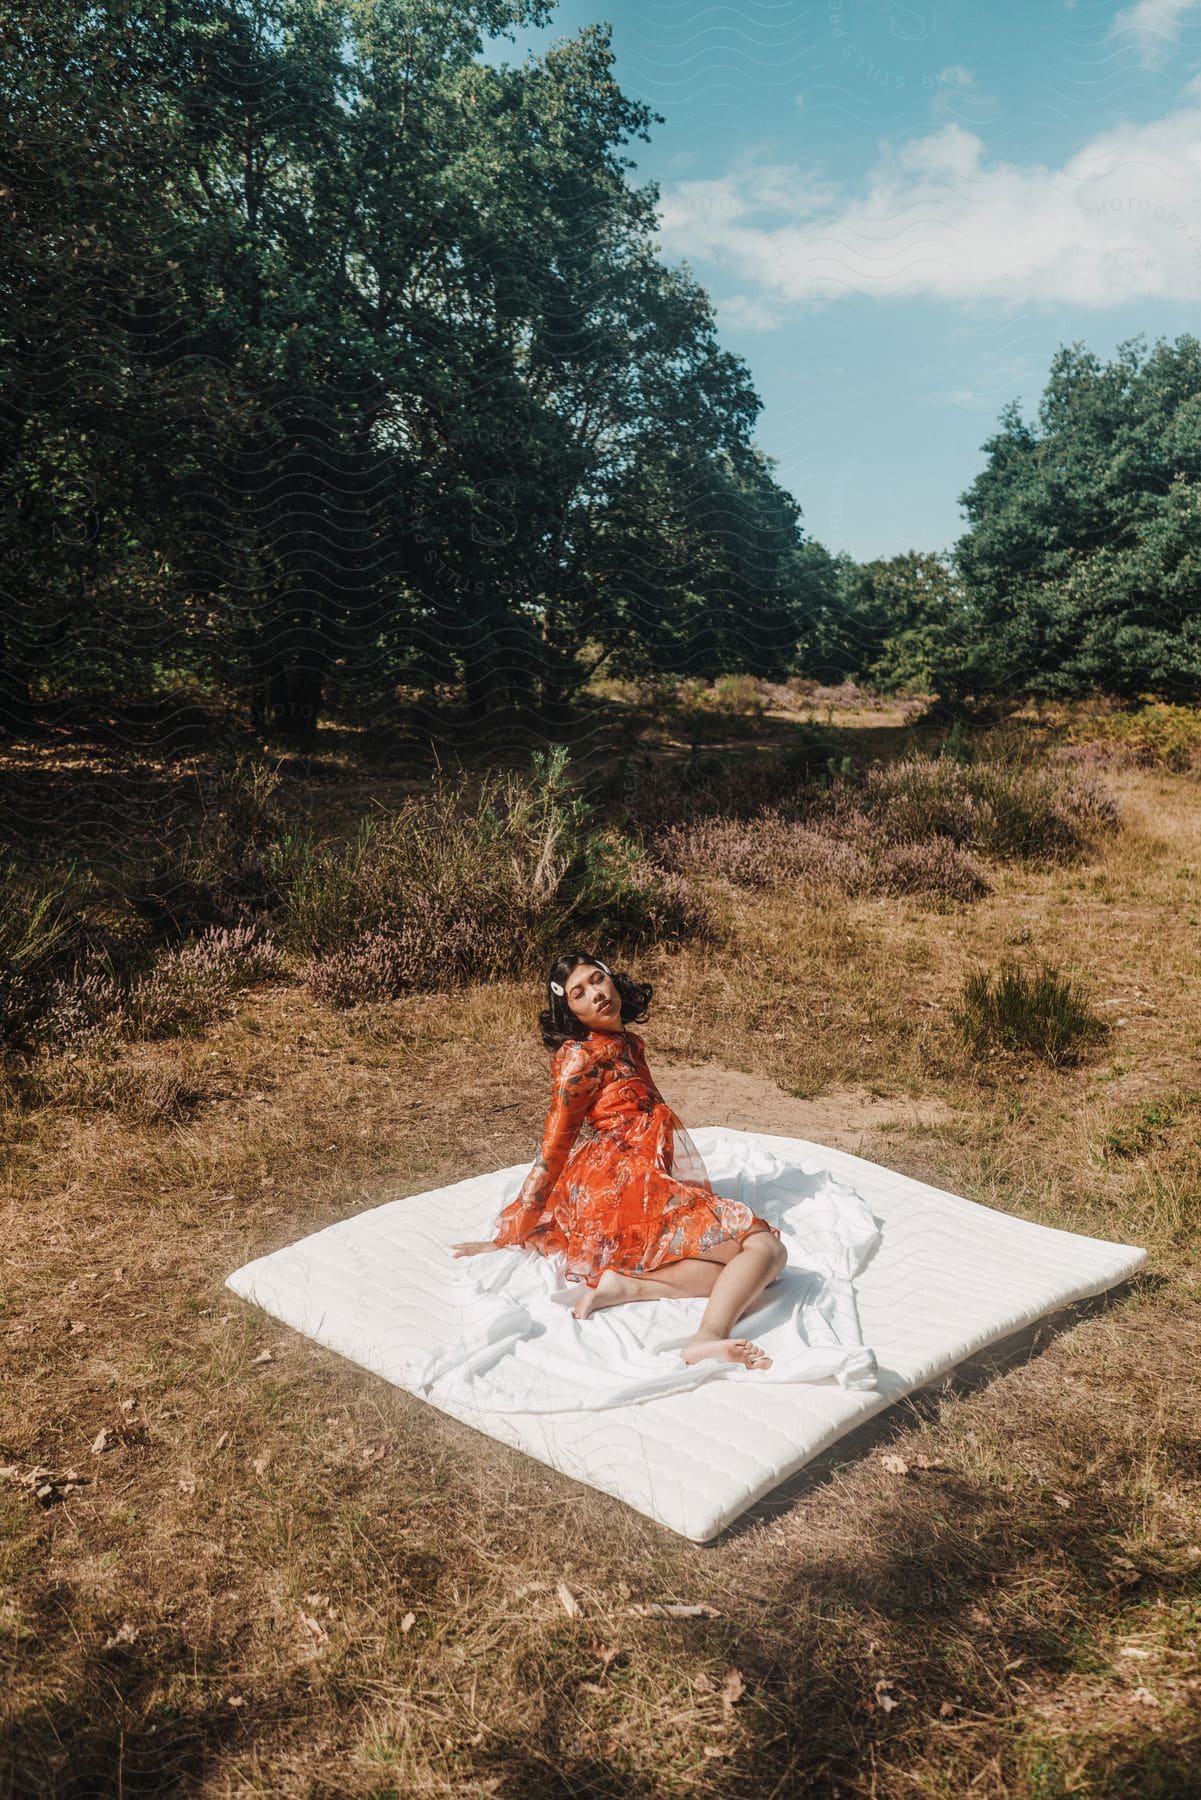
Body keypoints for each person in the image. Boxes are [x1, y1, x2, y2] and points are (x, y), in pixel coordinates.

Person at [451, 950, 789, 1371]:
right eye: (579, 993)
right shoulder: (579, 1058)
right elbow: (555, 1144)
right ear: (569, 1009)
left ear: (612, 980)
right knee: (765, 1249)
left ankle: (628, 1287)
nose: (595, 994)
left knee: (758, 1270)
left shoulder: (629, 1043)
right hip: (616, 1184)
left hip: (648, 1176)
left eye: (597, 980)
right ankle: (706, 1337)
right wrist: (512, 1230)